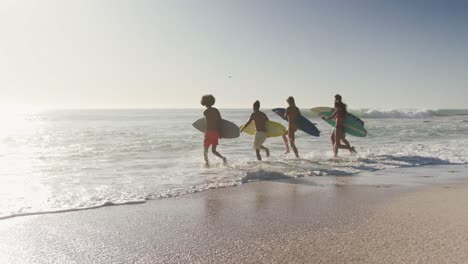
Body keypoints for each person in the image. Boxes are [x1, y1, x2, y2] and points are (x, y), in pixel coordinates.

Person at [201, 94, 227, 167]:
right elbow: (219, 121)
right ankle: (223, 158)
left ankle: (207, 164)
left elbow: (207, 124)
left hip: (209, 133)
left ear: (204, 103)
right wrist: (220, 133)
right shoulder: (216, 110)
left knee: (205, 151)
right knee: (213, 151)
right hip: (215, 133)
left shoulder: (205, 112)